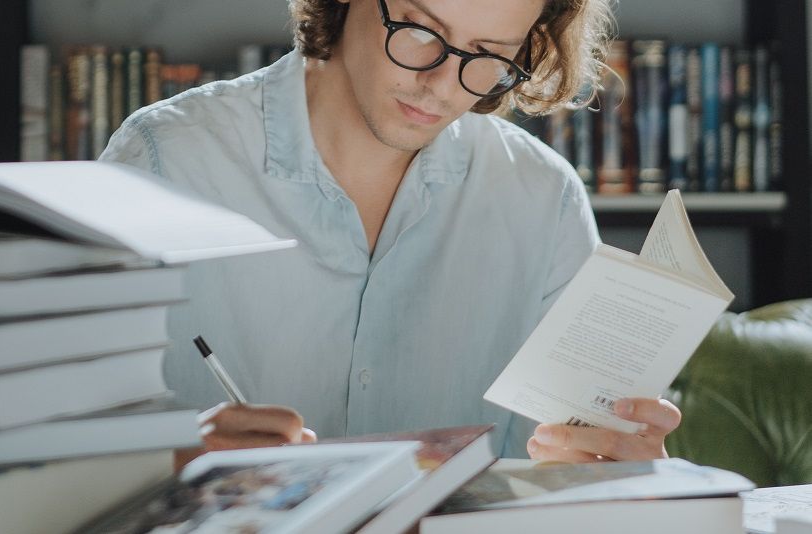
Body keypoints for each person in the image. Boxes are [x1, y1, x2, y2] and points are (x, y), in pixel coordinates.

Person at [99, 0, 682, 467]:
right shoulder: (163, 161)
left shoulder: (543, 199)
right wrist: (171, 460)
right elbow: (63, 454)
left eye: (490, 54)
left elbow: (563, 474)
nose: (443, 85)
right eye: (420, 30)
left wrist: (616, 463)